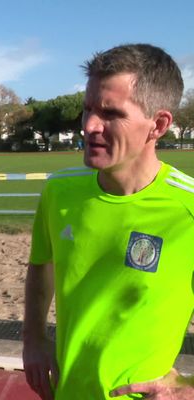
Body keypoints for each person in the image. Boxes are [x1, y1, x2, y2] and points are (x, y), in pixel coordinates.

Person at [22, 43, 194, 400]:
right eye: (87, 109)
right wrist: (34, 341)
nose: (90, 126)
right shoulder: (59, 193)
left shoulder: (188, 208)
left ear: (158, 125)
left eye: (110, 113)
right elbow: (43, 266)